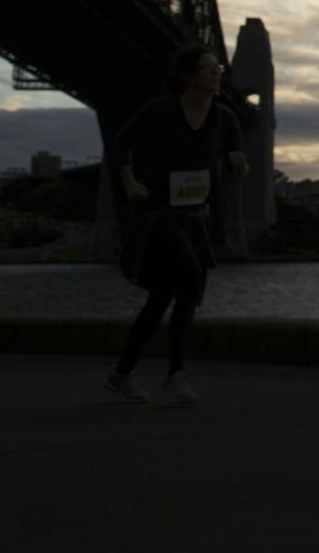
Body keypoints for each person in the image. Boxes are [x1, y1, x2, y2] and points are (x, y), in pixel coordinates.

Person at [105, 45, 247, 406]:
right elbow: (121, 144)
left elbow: (238, 158)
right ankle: (176, 374)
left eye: (218, 67)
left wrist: (238, 164)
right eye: (208, 68)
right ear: (188, 76)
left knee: (163, 297)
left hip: (197, 217)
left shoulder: (226, 117)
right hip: (158, 213)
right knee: (192, 281)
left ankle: (122, 373)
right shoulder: (159, 111)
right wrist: (130, 182)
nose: (217, 73)